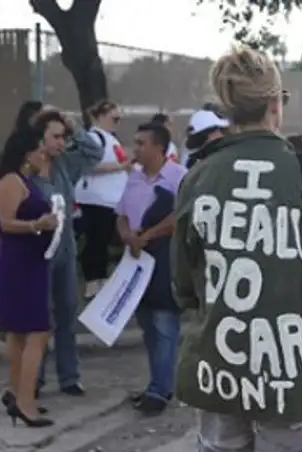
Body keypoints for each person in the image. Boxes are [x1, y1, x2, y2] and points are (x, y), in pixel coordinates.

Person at [170, 45, 302, 451]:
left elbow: (182, 283)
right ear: (274, 104)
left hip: (218, 362)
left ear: (227, 109)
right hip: (290, 367)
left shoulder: (197, 178)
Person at [0, 127, 58, 428]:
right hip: (18, 265)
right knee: (35, 332)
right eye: (40, 151)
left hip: (32, 262)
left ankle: (19, 394)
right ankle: (25, 401)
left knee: (22, 333)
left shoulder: (28, 181)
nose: (44, 156)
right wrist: (36, 225)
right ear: (27, 154)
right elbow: (6, 223)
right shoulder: (10, 182)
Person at [115, 123, 187, 415]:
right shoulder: (133, 178)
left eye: (141, 143)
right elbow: (120, 215)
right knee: (147, 325)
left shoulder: (178, 177)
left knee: (164, 323)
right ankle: (159, 383)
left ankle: (159, 392)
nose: (135, 149)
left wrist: (149, 235)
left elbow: (182, 215)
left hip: (165, 256)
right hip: (136, 258)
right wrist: (127, 236)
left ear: (158, 147)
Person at [32, 109, 105, 398]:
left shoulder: (65, 165)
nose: (61, 142)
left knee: (66, 313)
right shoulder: (27, 170)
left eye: (64, 137)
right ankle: (33, 378)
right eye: (56, 137)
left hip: (65, 248)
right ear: (40, 139)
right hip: (36, 252)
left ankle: (69, 377)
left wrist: (76, 130)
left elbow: (94, 153)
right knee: (38, 317)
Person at [75, 99, 131, 299]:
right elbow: (87, 166)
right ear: (100, 116)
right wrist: (121, 166)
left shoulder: (110, 138)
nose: (117, 123)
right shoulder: (94, 138)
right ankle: (92, 279)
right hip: (96, 198)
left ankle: (101, 277)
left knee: (103, 239)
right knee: (95, 240)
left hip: (110, 198)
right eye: (114, 118)